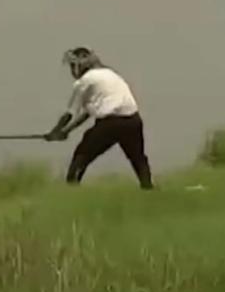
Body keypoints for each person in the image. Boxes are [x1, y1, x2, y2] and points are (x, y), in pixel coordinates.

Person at [44, 47, 154, 190]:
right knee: (138, 158)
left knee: (82, 155)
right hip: (133, 120)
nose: (72, 70)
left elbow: (70, 113)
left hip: (110, 123)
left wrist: (55, 131)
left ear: (80, 65)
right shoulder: (111, 74)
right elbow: (88, 113)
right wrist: (66, 131)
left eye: (72, 66)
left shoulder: (84, 81)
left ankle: (72, 188)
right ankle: (148, 188)